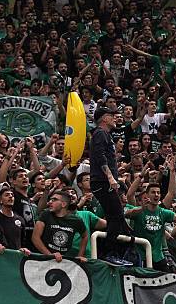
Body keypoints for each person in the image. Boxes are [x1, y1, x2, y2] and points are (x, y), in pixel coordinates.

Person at [90, 106, 133, 266]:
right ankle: (107, 253)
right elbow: (100, 157)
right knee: (116, 216)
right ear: (103, 119)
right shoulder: (100, 133)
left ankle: (115, 251)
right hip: (102, 182)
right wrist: (110, 177)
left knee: (119, 219)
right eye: (111, 115)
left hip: (106, 181)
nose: (116, 118)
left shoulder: (105, 135)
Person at [32, 191, 88, 262]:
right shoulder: (46, 214)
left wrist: (80, 255)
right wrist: (50, 256)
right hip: (43, 258)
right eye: (50, 199)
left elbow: (85, 236)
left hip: (63, 260)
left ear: (63, 204)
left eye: (54, 200)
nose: (50, 202)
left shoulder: (76, 220)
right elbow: (35, 238)